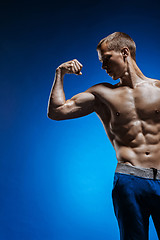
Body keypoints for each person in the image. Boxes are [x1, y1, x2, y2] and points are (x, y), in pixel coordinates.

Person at [47, 32, 160, 240]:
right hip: (130, 179)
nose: (103, 67)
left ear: (125, 52)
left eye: (106, 59)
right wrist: (59, 73)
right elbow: (56, 111)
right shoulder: (102, 94)